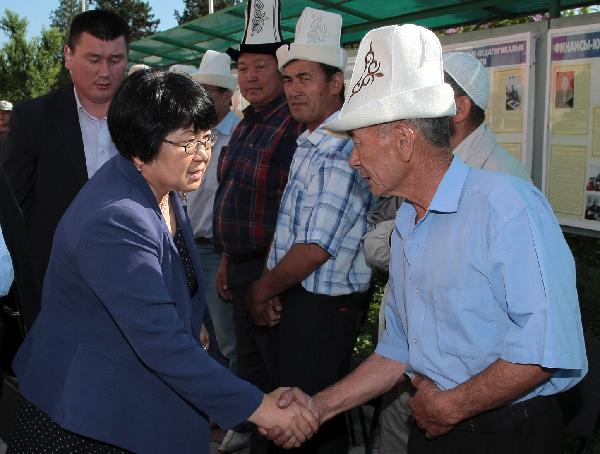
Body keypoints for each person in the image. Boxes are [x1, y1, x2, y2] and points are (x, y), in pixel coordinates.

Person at [270, 24, 587, 454]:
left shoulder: (506, 207)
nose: (355, 160)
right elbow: (399, 349)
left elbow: (547, 347)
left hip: (507, 434)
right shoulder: (407, 224)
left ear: (403, 140)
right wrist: (319, 406)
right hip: (437, 424)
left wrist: (452, 406)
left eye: (359, 144)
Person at [6, 69, 317, 454]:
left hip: (126, 404)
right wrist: (261, 408)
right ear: (140, 148)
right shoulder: (117, 219)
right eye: (188, 143)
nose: (203, 154)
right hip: (89, 422)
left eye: (206, 138)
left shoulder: (160, 186)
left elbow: (175, 296)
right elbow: (160, 341)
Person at [366, 51, 532, 454]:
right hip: (409, 371)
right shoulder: (434, 169)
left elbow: (539, 342)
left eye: (426, 92)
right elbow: (381, 245)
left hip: (471, 407)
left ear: (458, 108)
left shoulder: (502, 184)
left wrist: (452, 403)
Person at [246, 8, 372, 453]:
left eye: (306, 79)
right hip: (304, 300)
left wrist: (262, 289)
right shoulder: (311, 139)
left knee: (308, 421)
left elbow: (314, 248)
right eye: (290, 79)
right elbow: (292, 234)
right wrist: (275, 287)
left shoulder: (340, 148)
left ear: (335, 83)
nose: (294, 90)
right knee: (299, 416)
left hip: (322, 312)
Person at [212, 0, 304, 450]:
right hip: (242, 265)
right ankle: (250, 440)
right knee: (248, 370)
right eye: (243, 68)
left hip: (275, 272)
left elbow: (290, 212)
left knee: (276, 377)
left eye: (260, 66)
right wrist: (229, 259)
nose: (249, 76)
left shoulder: (292, 125)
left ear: (280, 66)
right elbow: (234, 194)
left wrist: (268, 282)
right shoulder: (248, 123)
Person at [0, 10, 129, 327]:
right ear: (68, 56)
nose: (104, 72)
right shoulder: (34, 119)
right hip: (56, 286)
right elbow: (12, 206)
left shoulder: (146, 119)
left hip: (131, 278)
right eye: (93, 58)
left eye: (115, 60)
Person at [187, 50, 240, 373]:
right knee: (201, 333)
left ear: (227, 97)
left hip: (218, 252)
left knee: (227, 339)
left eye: (207, 95)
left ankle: (234, 418)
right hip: (193, 247)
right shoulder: (196, 134)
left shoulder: (237, 136)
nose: (202, 102)